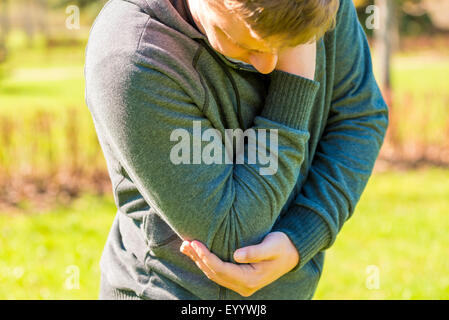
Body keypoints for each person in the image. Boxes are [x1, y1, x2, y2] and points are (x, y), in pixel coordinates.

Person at [85, 0, 389, 300]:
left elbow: (360, 116)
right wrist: (294, 79)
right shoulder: (132, 55)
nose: (270, 64)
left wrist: (303, 233)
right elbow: (236, 238)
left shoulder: (313, 6)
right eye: (248, 45)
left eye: (288, 45)